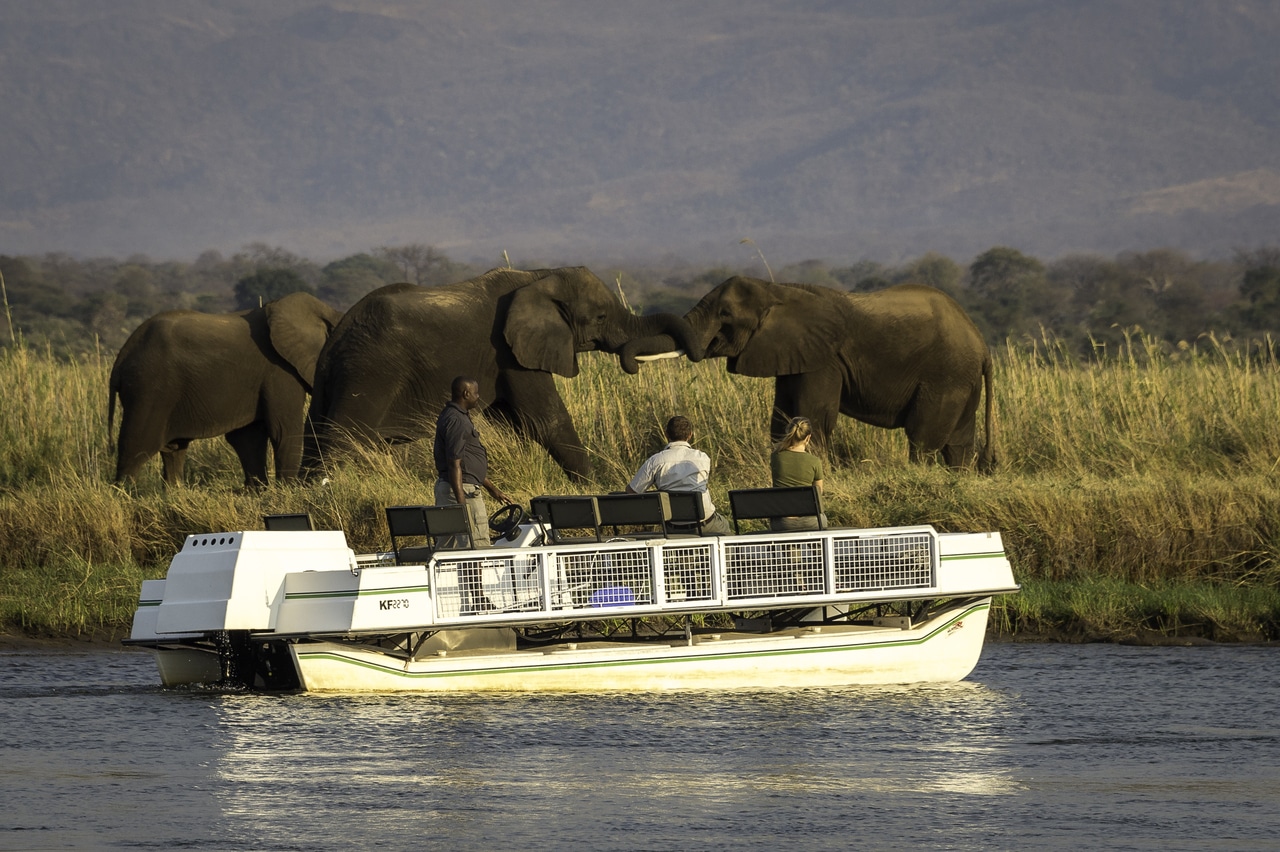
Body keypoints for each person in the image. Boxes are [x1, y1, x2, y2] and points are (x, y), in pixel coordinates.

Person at [433, 376, 512, 549]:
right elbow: (454, 464)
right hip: (462, 492)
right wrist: (462, 507)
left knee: (449, 550)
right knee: (476, 548)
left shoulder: (452, 415)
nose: (478, 397)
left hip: (455, 488)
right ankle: (477, 577)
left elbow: (465, 464)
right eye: (476, 393)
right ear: (466, 393)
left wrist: (492, 488)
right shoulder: (457, 421)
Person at [626, 415, 731, 536]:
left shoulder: (655, 461)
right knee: (725, 526)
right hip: (705, 524)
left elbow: (632, 492)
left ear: (666, 434)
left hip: (673, 527)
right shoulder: (703, 458)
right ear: (690, 435)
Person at [769, 416, 827, 531]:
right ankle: (818, 549)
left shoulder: (776, 457)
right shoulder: (815, 461)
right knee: (821, 520)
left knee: (788, 537)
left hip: (783, 522)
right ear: (808, 438)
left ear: (789, 432)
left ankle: (791, 549)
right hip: (812, 521)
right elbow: (818, 493)